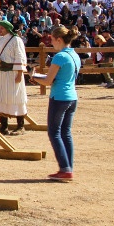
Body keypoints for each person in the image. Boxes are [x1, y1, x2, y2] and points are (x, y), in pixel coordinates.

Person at [30, 26, 80, 181]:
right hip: (71, 97)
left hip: (59, 97)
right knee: (66, 132)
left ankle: (65, 169)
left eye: (52, 40)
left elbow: (48, 81)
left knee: (54, 132)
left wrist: (33, 76)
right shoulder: (74, 55)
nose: (51, 43)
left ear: (59, 40)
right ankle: (67, 167)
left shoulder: (60, 57)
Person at [0, 20, 28, 135]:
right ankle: (4, 126)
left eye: (2, 28)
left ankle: (20, 126)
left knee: (16, 97)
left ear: (7, 29)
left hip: (13, 73)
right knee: (1, 97)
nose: (0, 30)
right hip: (1, 73)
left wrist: (19, 74)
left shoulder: (16, 40)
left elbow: (20, 57)